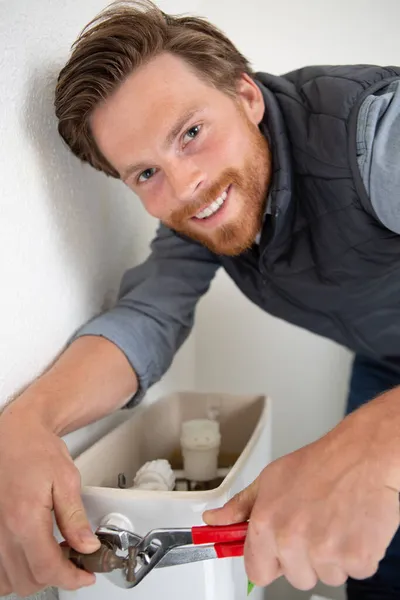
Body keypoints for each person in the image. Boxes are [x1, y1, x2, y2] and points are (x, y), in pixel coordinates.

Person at [0, 1, 399, 598]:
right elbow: (146, 318)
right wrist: (26, 425)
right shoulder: (200, 219)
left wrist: (377, 439)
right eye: (145, 174)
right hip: (384, 359)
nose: (184, 186)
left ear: (246, 97)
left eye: (191, 134)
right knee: (372, 570)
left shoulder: (376, 133)